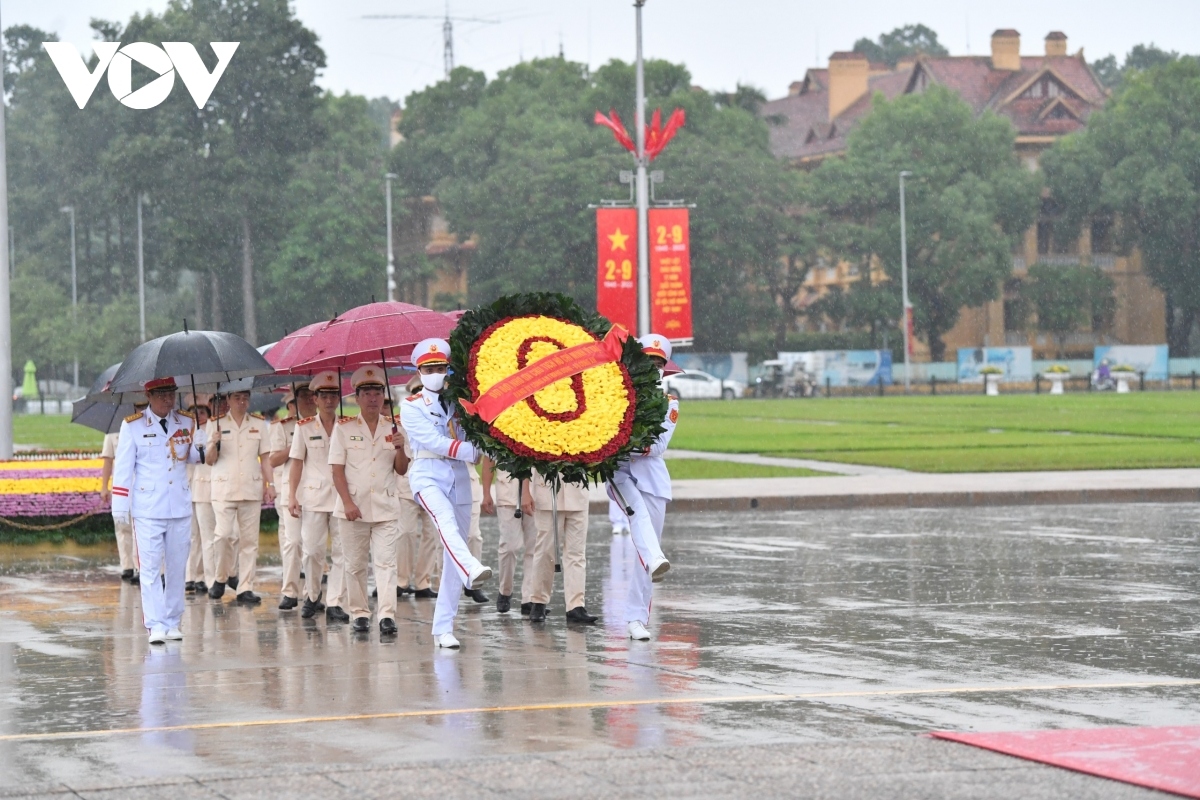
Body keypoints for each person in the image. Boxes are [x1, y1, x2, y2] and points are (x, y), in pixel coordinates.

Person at [399, 338, 493, 649]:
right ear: (420, 372)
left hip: (459, 476)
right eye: (430, 368)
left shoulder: (461, 402)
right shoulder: (411, 406)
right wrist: (473, 452)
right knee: (445, 524)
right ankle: (472, 567)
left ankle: (443, 629)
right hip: (428, 475)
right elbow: (433, 441)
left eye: (441, 367)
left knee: (454, 547)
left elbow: (475, 432)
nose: (437, 373)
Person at [110, 378, 201, 644]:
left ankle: (172, 621)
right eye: (161, 394)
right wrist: (119, 507)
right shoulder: (133, 426)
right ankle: (155, 623)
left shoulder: (186, 422)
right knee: (149, 569)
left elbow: (194, 458)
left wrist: (206, 443)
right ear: (148, 395)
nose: (168, 399)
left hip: (179, 506)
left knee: (176, 568)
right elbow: (124, 469)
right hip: (148, 508)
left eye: (171, 394)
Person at [328, 365, 410, 637]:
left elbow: (401, 469)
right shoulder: (343, 428)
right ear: (357, 397)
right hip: (353, 508)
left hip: (386, 507)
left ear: (384, 396)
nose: (373, 398)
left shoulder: (395, 427)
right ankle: (360, 613)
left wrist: (400, 448)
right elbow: (336, 469)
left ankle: (387, 615)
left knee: (387, 563)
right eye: (367, 393)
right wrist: (348, 502)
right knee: (355, 564)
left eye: (377, 392)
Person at [608, 334, 678, 642]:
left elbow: (658, 446)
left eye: (659, 363)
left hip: (652, 480)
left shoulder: (669, 403)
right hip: (620, 474)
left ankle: (637, 617)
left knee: (646, 555)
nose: (654, 367)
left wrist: (626, 443)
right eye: (648, 361)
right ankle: (654, 561)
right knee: (644, 533)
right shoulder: (619, 395)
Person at [205, 383, 274, 604]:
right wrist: (214, 443)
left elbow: (265, 458)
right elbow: (209, 460)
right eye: (236, 397)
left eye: (245, 398)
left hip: (250, 487)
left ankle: (245, 587)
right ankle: (220, 576)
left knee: (249, 542)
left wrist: (270, 484)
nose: (241, 402)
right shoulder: (214, 424)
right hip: (224, 488)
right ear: (228, 400)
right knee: (223, 535)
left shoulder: (258, 424)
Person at [288, 371, 349, 622]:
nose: (329, 400)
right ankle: (312, 595)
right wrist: (292, 495)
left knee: (342, 552)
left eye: (334, 395)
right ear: (315, 398)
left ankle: (336, 601)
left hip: (342, 495)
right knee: (312, 551)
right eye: (324, 395)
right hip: (313, 496)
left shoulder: (347, 425)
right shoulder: (303, 427)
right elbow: (296, 463)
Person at [524, 473, 596, 623]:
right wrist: (525, 492)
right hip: (547, 493)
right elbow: (524, 459)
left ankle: (576, 605)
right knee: (545, 551)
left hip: (577, 491)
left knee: (576, 553)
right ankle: (538, 601)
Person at [395, 377, 442, 601]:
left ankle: (423, 581)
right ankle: (401, 580)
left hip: (433, 483)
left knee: (431, 535)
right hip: (407, 484)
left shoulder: (440, 419)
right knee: (405, 532)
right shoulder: (401, 421)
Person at [270, 387, 316, 611]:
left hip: (319, 491)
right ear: (295, 401)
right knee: (294, 542)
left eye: (311, 396)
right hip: (292, 492)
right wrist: (294, 446)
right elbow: (273, 460)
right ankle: (290, 591)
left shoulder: (327, 425)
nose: (307, 400)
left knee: (313, 545)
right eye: (303, 396)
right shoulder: (283, 427)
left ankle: (312, 594)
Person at [100, 400, 147, 584]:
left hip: (141, 486)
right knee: (122, 527)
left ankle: (138, 567)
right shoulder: (113, 430)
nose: (140, 410)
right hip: (121, 488)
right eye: (137, 406)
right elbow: (108, 459)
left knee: (138, 529)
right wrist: (104, 487)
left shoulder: (144, 428)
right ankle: (126, 565)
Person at [481, 457, 535, 615]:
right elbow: (489, 458)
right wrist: (486, 493)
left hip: (536, 492)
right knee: (509, 546)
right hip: (507, 490)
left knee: (534, 547)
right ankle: (505, 590)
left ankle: (529, 598)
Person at [184, 402, 213, 593]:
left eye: (202, 412)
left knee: (205, 535)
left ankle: (201, 576)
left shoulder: (211, 430)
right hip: (185, 488)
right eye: (194, 412)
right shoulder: (182, 433)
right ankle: (188, 576)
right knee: (191, 536)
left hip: (204, 487)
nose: (198, 415)